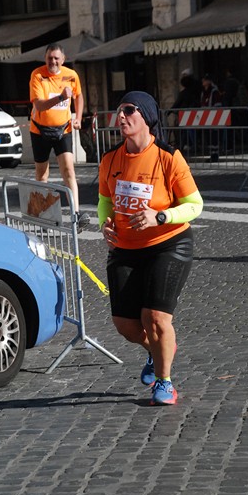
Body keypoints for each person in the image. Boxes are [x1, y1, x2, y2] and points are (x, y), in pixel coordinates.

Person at [98, 91, 203, 406]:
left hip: (167, 244)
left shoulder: (168, 157)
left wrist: (161, 215)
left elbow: (195, 205)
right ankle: (157, 349)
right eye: (119, 111)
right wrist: (105, 223)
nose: (122, 117)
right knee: (126, 325)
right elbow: (105, 199)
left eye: (129, 111)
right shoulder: (110, 159)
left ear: (147, 117)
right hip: (125, 248)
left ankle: (164, 382)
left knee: (155, 317)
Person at [29, 43, 90, 230]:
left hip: (63, 130)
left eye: (56, 58)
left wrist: (78, 117)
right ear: (45, 58)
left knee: (69, 172)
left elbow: (78, 96)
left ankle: (76, 215)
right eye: (49, 58)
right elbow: (39, 105)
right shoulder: (37, 75)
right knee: (42, 174)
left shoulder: (71, 75)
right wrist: (62, 98)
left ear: (63, 60)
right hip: (39, 130)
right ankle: (44, 216)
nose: (53, 62)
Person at [200, 74, 221, 162]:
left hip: (213, 116)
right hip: (205, 117)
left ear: (208, 81)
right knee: (208, 137)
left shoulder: (214, 91)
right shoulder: (204, 92)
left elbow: (217, 104)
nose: (203, 82)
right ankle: (212, 154)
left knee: (214, 137)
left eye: (204, 81)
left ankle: (215, 154)